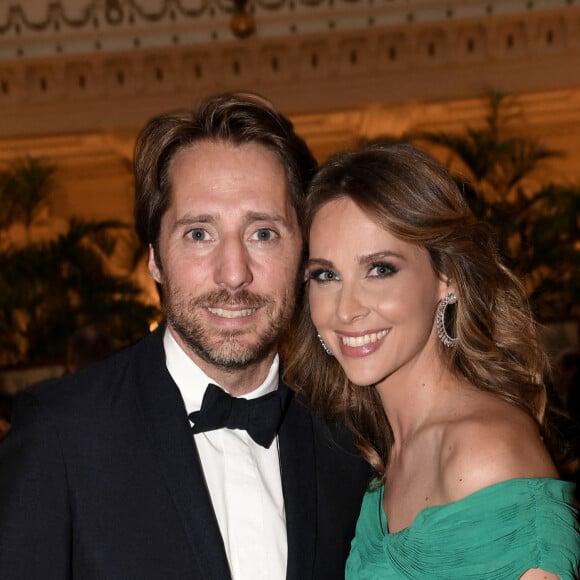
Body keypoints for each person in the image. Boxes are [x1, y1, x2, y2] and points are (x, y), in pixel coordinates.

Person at [0, 93, 369, 579]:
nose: (233, 274)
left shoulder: (349, 436)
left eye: (263, 233)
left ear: (303, 252)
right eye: (199, 234)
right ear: (154, 256)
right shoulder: (61, 436)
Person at [284, 141, 580, 579]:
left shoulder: (482, 454)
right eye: (326, 275)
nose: (346, 310)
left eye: (380, 269)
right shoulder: (383, 456)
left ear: (448, 279)